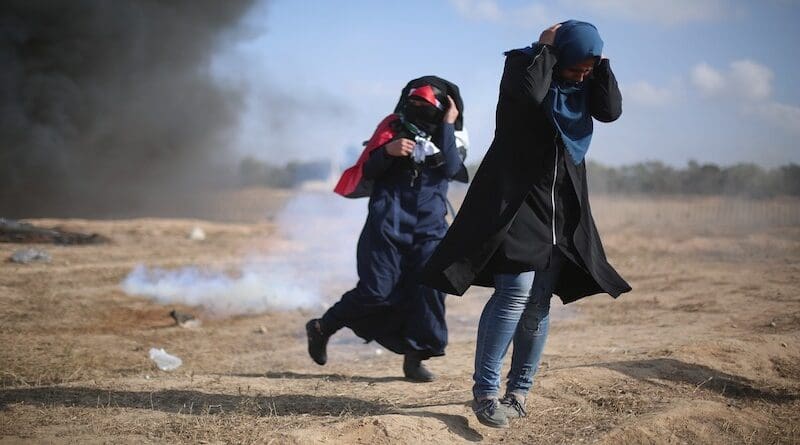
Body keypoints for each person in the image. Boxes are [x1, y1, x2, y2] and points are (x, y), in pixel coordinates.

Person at [422, 21, 632, 427]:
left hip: (562, 205)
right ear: (559, 55)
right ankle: (485, 392)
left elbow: (610, 111)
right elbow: (530, 94)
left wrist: (598, 66)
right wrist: (546, 48)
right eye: (577, 68)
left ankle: (519, 391)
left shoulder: (585, 81)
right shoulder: (523, 66)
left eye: (588, 71)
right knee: (514, 292)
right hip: (516, 201)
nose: (581, 76)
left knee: (538, 304)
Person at [305, 76, 468, 382]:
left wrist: (447, 124)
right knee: (376, 292)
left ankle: (415, 357)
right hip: (387, 225)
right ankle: (322, 327)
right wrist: (388, 152)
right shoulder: (392, 127)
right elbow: (366, 169)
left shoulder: (456, 137)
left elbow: (450, 168)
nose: (417, 108)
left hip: (430, 229)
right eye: (413, 102)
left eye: (426, 104)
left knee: (427, 290)